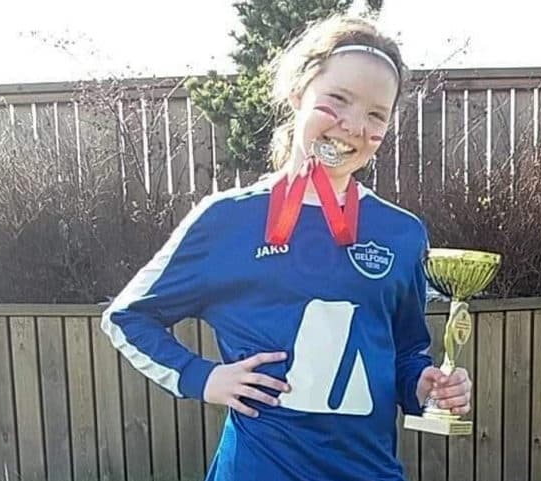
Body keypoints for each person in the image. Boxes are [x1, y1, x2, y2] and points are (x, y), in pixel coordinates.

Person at [102, 13, 472, 481]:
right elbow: (127, 317)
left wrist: (426, 385)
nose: (353, 126)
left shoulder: (402, 233)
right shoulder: (227, 220)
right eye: (338, 99)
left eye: (376, 114)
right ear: (298, 94)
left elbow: (405, 351)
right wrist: (203, 376)